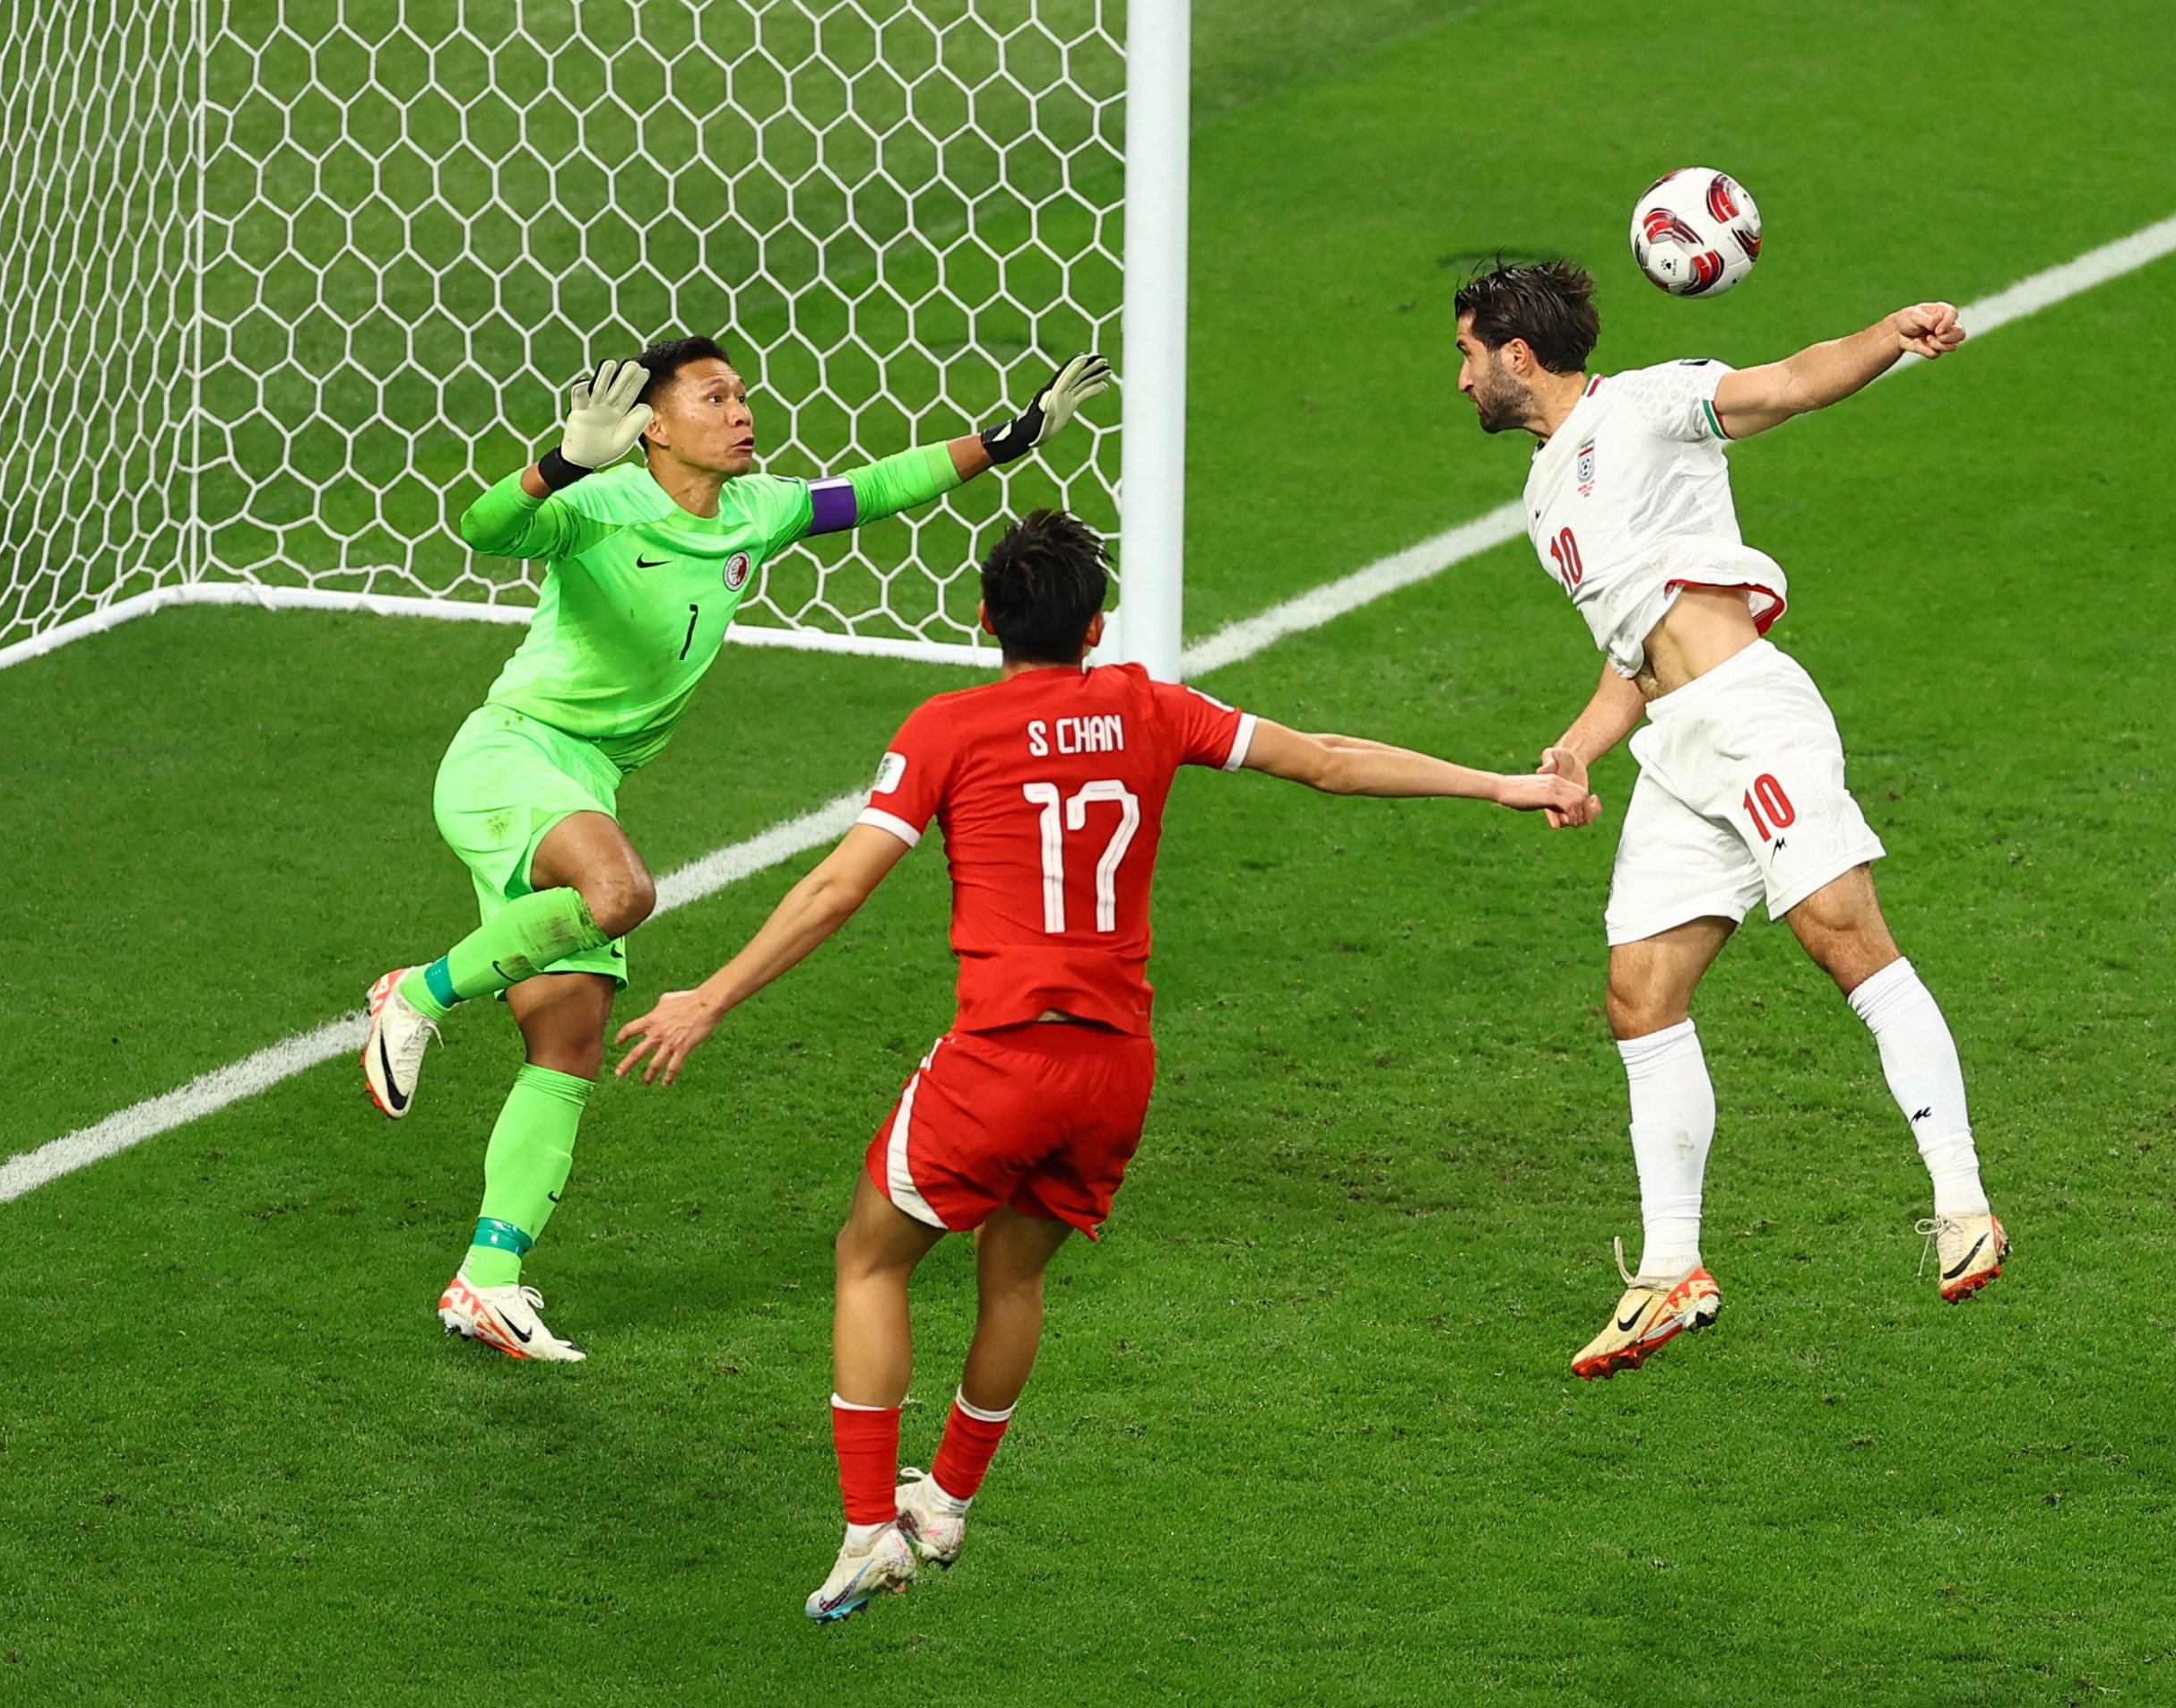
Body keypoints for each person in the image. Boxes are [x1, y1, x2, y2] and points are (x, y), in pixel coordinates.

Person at [611, 508, 1591, 1619]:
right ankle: (947, 1502)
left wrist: (710, 996)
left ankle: (866, 1529)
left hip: (1001, 1057)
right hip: (1114, 1070)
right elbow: (1326, 762)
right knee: (1013, 1277)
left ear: (985, 619)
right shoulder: (1148, 707)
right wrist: (1502, 784)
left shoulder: (945, 728)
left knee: (868, 1260)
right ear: (1095, 628)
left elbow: (838, 887)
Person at [360, 337, 1113, 1362]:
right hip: (512, 756)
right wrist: (561, 464)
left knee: (568, 1042)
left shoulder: (757, 511)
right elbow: (484, 528)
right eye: (714, 397)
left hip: (588, 780)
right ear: (654, 426)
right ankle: (417, 994)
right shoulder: (599, 503)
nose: (742, 412)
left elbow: (874, 490)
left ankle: (487, 1280)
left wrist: (1005, 439)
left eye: (743, 395)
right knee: (621, 892)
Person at [1450, 259, 2006, 1382]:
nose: (1459, 380)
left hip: (1750, 717)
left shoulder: (1645, 406)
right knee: (1637, 994)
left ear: (1516, 354)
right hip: (1677, 747)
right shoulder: (1544, 494)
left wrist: (1887, 334)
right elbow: (1634, 655)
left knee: (1842, 939)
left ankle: (1962, 1203)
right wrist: (1577, 747)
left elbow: (1787, 384)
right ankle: (1669, 1271)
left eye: (1466, 355)